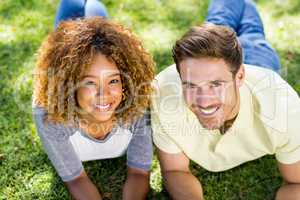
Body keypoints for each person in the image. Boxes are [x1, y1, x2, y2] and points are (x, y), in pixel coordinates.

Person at [151, 0, 300, 199]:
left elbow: (296, 182)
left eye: (216, 85)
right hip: (223, 61)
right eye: (191, 85)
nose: (204, 101)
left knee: (251, 32)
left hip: (257, 59)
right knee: (217, 30)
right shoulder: (163, 94)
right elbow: (173, 171)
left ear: (239, 77)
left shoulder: (282, 108)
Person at [33, 15, 154, 200]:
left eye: (113, 80)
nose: (103, 94)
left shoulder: (136, 104)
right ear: (70, 86)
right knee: (68, 21)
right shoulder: (50, 116)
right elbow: (76, 180)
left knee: (100, 27)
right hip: (71, 41)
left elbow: (139, 172)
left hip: (96, 37)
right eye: (90, 82)